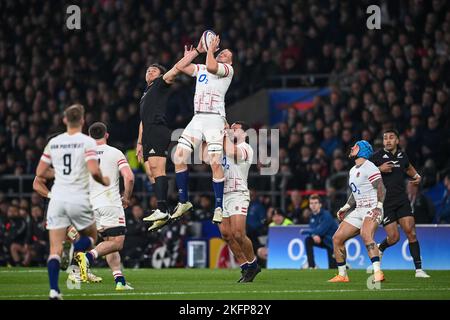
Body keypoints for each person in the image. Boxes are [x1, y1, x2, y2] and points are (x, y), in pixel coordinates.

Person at [35, 104, 110, 300]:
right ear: (83, 121)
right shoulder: (87, 142)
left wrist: (58, 173)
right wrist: (104, 180)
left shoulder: (54, 143)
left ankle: (54, 291)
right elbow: (94, 170)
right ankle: (77, 250)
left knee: (54, 249)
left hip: (57, 199)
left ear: (64, 120)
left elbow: (40, 173)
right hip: (78, 198)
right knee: (92, 237)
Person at [170, 34, 234, 225]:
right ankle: (183, 202)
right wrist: (197, 51)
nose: (221, 54)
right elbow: (180, 67)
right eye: (220, 52)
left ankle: (219, 207)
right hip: (198, 117)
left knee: (214, 163)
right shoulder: (202, 69)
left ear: (230, 61)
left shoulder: (227, 70)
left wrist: (211, 52)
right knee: (178, 156)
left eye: (225, 54)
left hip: (214, 118)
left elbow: (213, 65)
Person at [72, 122, 134, 290]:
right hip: (109, 203)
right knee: (117, 243)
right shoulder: (115, 153)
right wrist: (126, 197)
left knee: (108, 243)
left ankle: (119, 281)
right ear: (106, 135)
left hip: (90, 207)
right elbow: (129, 177)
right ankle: (88, 257)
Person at [371, 129, 430, 278]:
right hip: (385, 202)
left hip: (402, 200)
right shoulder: (377, 157)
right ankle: (381, 247)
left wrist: (416, 175)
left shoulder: (402, 155)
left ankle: (418, 270)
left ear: (397, 141)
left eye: (391, 138)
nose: (388, 140)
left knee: (411, 232)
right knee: (394, 237)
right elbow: (364, 173)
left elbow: (408, 167)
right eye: (385, 138)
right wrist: (379, 169)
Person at [136, 58, 184, 231]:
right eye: (148, 70)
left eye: (154, 70)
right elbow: (142, 120)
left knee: (158, 170)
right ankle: (162, 209)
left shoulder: (159, 84)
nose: (150, 71)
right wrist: (140, 142)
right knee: (150, 171)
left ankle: (163, 209)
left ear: (161, 75)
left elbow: (176, 69)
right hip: (148, 133)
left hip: (157, 130)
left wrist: (196, 52)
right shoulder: (146, 92)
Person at [328, 140, 386, 283]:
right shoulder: (353, 170)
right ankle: (342, 275)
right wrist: (346, 206)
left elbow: (381, 188)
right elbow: (356, 192)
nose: (352, 147)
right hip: (359, 209)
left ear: (363, 150)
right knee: (337, 238)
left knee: (365, 234)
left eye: (356, 146)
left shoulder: (370, 167)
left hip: (372, 207)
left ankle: (378, 273)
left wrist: (378, 206)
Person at [216, 122, 261, 283]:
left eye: (236, 128)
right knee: (226, 234)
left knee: (238, 233)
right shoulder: (224, 147)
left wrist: (223, 132)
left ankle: (253, 263)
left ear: (245, 133)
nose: (232, 130)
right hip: (223, 194)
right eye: (231, 127)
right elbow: (205, 157)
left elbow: (231, 151)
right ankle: (245, 267)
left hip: (238, 194)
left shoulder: (246, 148)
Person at [302, 194, 338, 269]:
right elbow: (314, 230)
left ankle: (345, 266)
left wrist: (305, 232)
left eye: (315, 203)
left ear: (320, 205)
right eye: (311, 203)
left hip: (333, 243)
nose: (313, 205)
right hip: (323, 240)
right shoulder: (312, 216)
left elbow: (320, 231)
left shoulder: (326, 215)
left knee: (332, 268)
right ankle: (311, 266)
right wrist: (313, 235)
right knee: (308, 240)